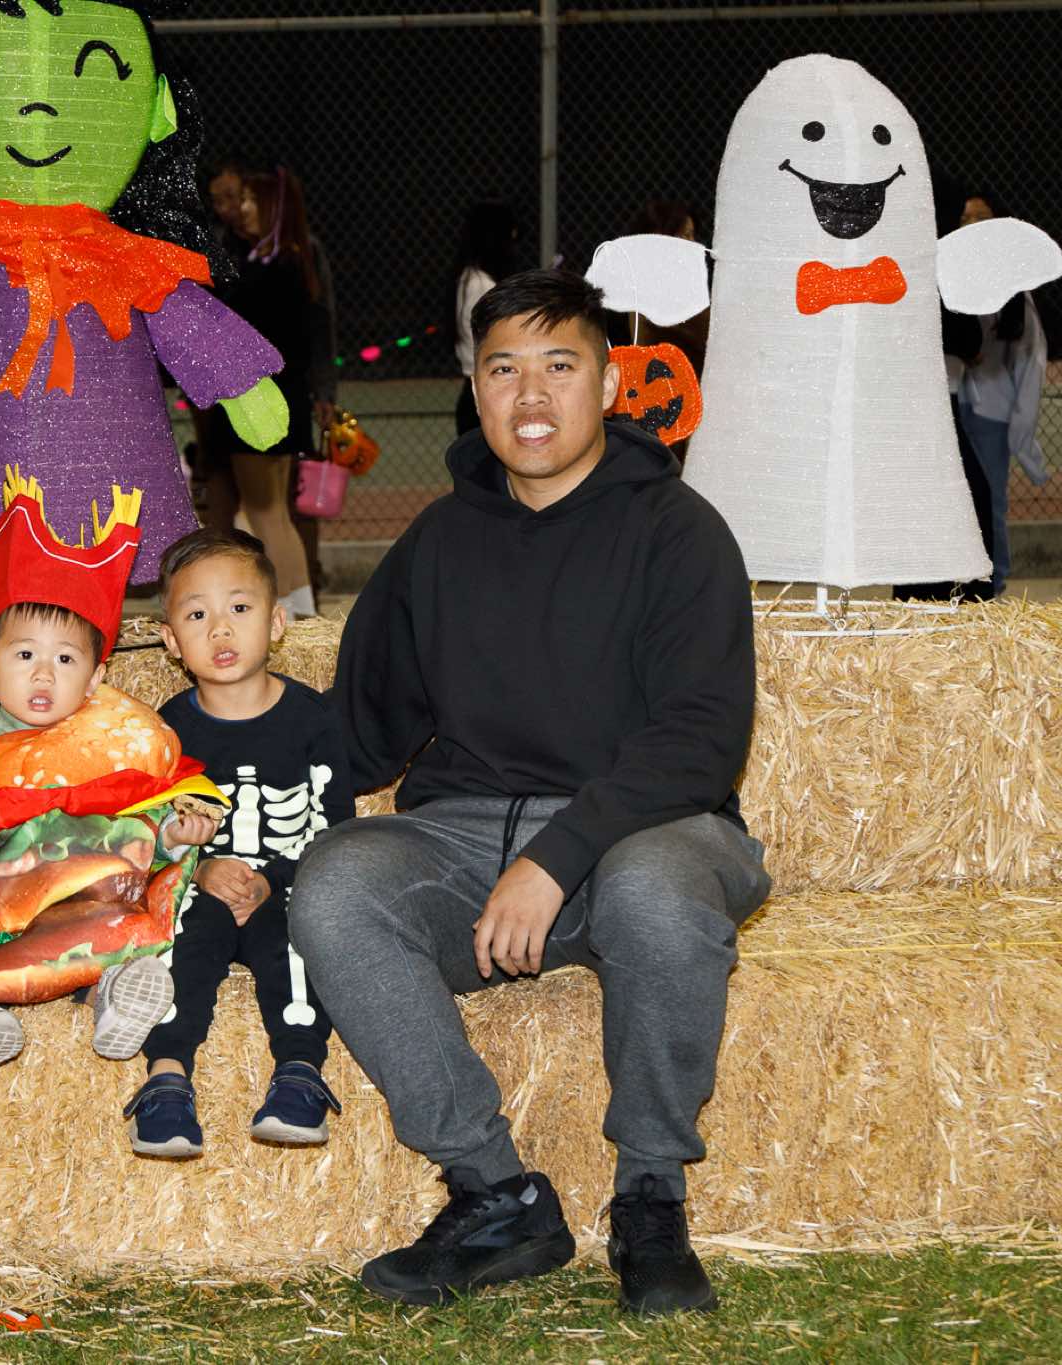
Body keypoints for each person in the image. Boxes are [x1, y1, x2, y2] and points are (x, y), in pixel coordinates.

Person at [289, 269, 769, 1316]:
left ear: (609, 384)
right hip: (465, 841)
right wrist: (205, 756)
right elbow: (357, 734)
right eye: (504, 369)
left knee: (652, 889)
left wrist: (553, 860)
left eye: (560, 365)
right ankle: (495, 1195)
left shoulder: (677, 530)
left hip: (650, 828)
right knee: (334, 883)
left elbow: (699, 742)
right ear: (477, 390)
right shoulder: (437, 542)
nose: (532, 395)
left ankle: (649, 1198)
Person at [0, 472, 221, 1088]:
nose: (43, 675)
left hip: (78, 899)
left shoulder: (110, 738)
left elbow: (142, 805)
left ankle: (113, 991)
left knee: (117, 865)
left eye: (65, 659)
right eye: (24, 655)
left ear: (95, 676)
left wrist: (172, 832)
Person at [125, 529, 351, 1158]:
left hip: (287, 885)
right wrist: (196, 868)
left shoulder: (315, 719)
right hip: (204, 888)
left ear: (277, 623)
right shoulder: (166, 730)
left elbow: (335, 828)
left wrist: (273, 881)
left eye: (240, 608)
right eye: (197, 615)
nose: (220, 630)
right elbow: (144, 834)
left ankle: (300, 1072)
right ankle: (166, 1079)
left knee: (303, 935)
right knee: (180, 936)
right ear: (171, 640)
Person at [195, 168, 321, 617]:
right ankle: (303, 613)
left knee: (264, 514)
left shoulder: (268, 270)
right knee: (277, 515)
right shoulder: (290, 259)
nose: (241, 208)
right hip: (283, 401)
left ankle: (288, 614)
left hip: (256, 403)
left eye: (250, 199)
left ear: (272, 207)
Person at [958, 191, 1051, 597]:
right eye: (965, 218)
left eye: (981, 218)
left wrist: (1021, 426)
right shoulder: (948, 277)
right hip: (951, 403)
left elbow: (1032, 359)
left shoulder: (1014, 291)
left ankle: (993, 581)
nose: (971, 225)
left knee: (990, 500)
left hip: (989, 412)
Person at [451, 201, 520, 435]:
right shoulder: (481, 285)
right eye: (510, 234)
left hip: (481, 393)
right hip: (485, 396)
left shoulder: (471, 278)